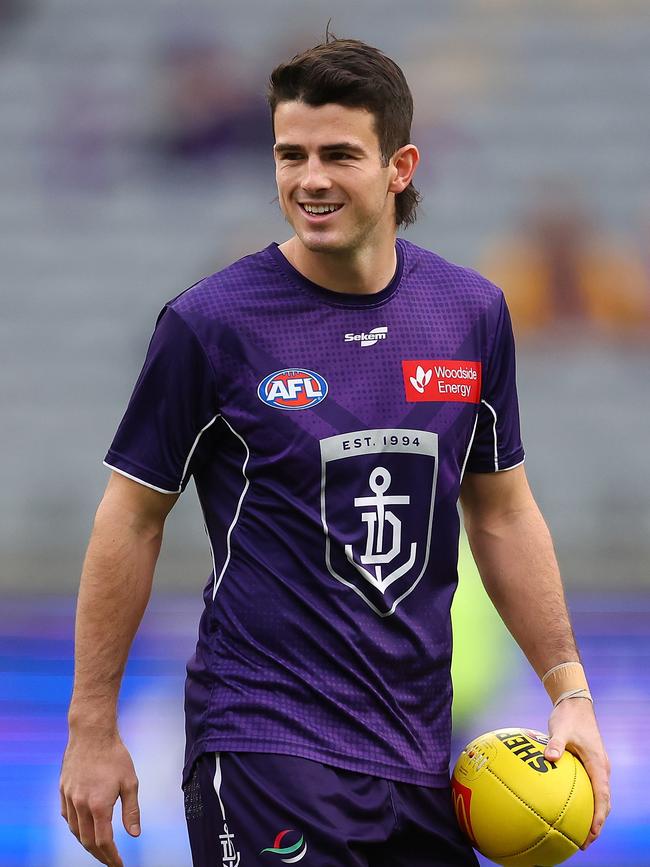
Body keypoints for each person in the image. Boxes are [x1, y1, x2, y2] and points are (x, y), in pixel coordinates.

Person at [60, 35, 610, 867]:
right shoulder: (209, 324)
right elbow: (131, 517)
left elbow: (501, 508)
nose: (308, 178)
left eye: (338, 154)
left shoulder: (471, 312)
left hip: (423, 752)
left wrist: (570, 691)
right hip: (264, 741)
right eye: (290, 154)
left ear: (401, 166)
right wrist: (92, 727)